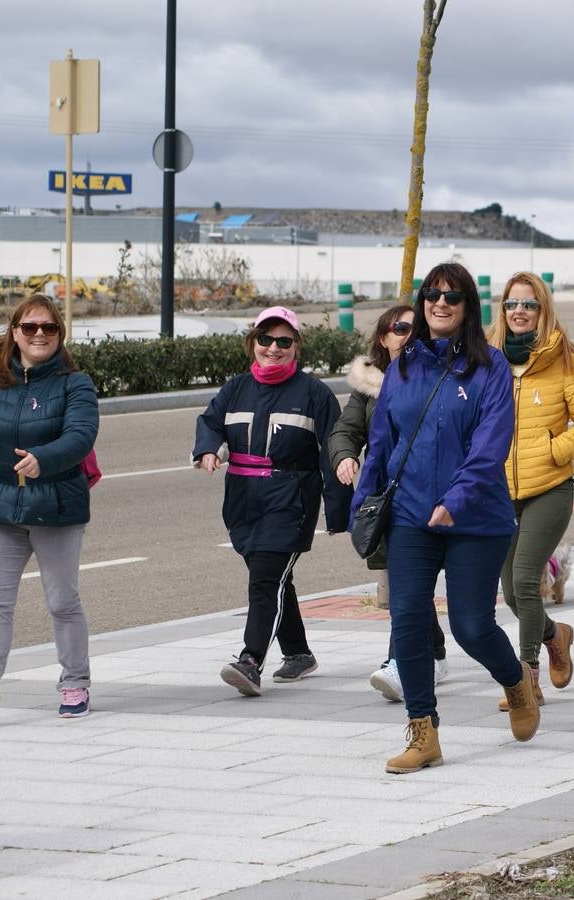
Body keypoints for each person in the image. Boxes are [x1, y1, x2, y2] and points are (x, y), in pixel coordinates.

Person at [354, 262, 540, 774]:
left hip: (475, 518)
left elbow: (490, 444)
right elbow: (382, 443)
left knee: (471, 626)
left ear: (467, 308)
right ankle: (423, 731)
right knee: (409, 618)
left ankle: (517, 681)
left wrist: (455, 499)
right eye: (432, 294)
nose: (440, 303)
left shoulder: (492, 368)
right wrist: (362, 503)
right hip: (411, 516)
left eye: (452, 297)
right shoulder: (403, 367)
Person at [0, 295, 99, 726]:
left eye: (49, 328)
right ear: (15, 333)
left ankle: (75, 682)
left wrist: (43, 459)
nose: (40, 334)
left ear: (59, 335)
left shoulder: (75, 384)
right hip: (3, 507)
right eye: (30, 328)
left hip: (58, 506)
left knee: (62, 602)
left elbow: (81, 436)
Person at [193, 306, 351, 697]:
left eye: (284, 341)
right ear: (254, 343)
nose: (273, 348)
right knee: (274, 579)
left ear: (296, 346)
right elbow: (210, 421)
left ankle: (250, 661)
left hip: (290, 498)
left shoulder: (314, 393)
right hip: (243, 500)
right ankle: (298, 653)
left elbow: (333, 449)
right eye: (266, 339)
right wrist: (209, 448)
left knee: (265, 578)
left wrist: (338, 509)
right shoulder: (236, 387)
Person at [488, 272, 574, 706]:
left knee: (525, 580)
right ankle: (558, 635)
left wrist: (553, 449)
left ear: (543, 309)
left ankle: (525, 680)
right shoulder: (487, 359)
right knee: (512, 594)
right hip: (497, 492)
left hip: (549, 487)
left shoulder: (565, 358)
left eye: (529, 304)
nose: (519, 311)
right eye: (512, 304)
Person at [328, 304, 452, 703]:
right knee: (405, 586)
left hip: (436, 497)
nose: (406, 335)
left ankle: (400, 663)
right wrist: (345, 456)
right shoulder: (368, 387)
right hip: (388, 501)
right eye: (398, 328)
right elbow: (344, 431)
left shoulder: (441, 378)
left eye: (414, 329)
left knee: (410, 587)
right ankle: (429, 653)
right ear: (383, 337)